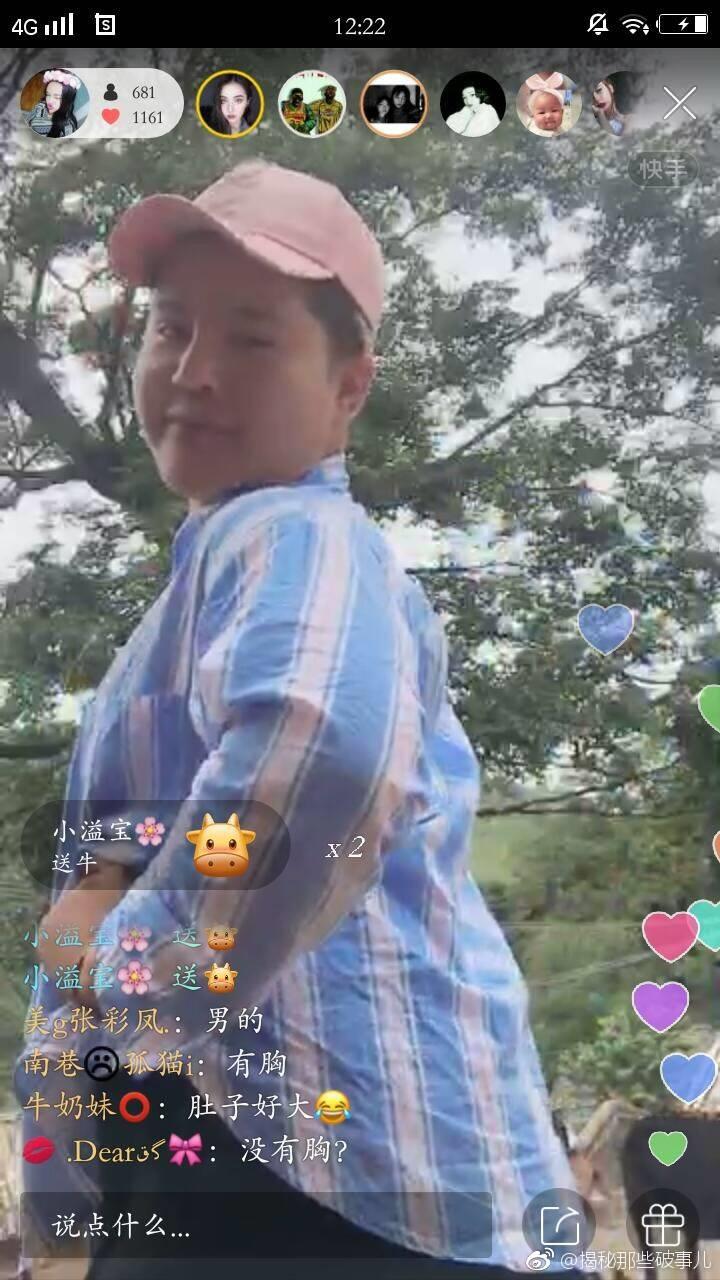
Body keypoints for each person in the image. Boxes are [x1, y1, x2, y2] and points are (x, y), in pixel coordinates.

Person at [17, 160, 581, 1280]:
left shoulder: (298, 534)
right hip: (274, 1168)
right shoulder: (205, 585)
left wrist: (124, 972)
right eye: (172, 329)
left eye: (253, 338)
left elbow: (322, 748)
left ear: (349, 387)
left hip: (344, 1184)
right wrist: (68, 1191)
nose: (195, 370)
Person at [26, 68, 80, 137]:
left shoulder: (68, 127)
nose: (49, 101)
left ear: (67, 100)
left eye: (57, 97)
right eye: (48, 94)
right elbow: (29, 119)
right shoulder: (41, 105)